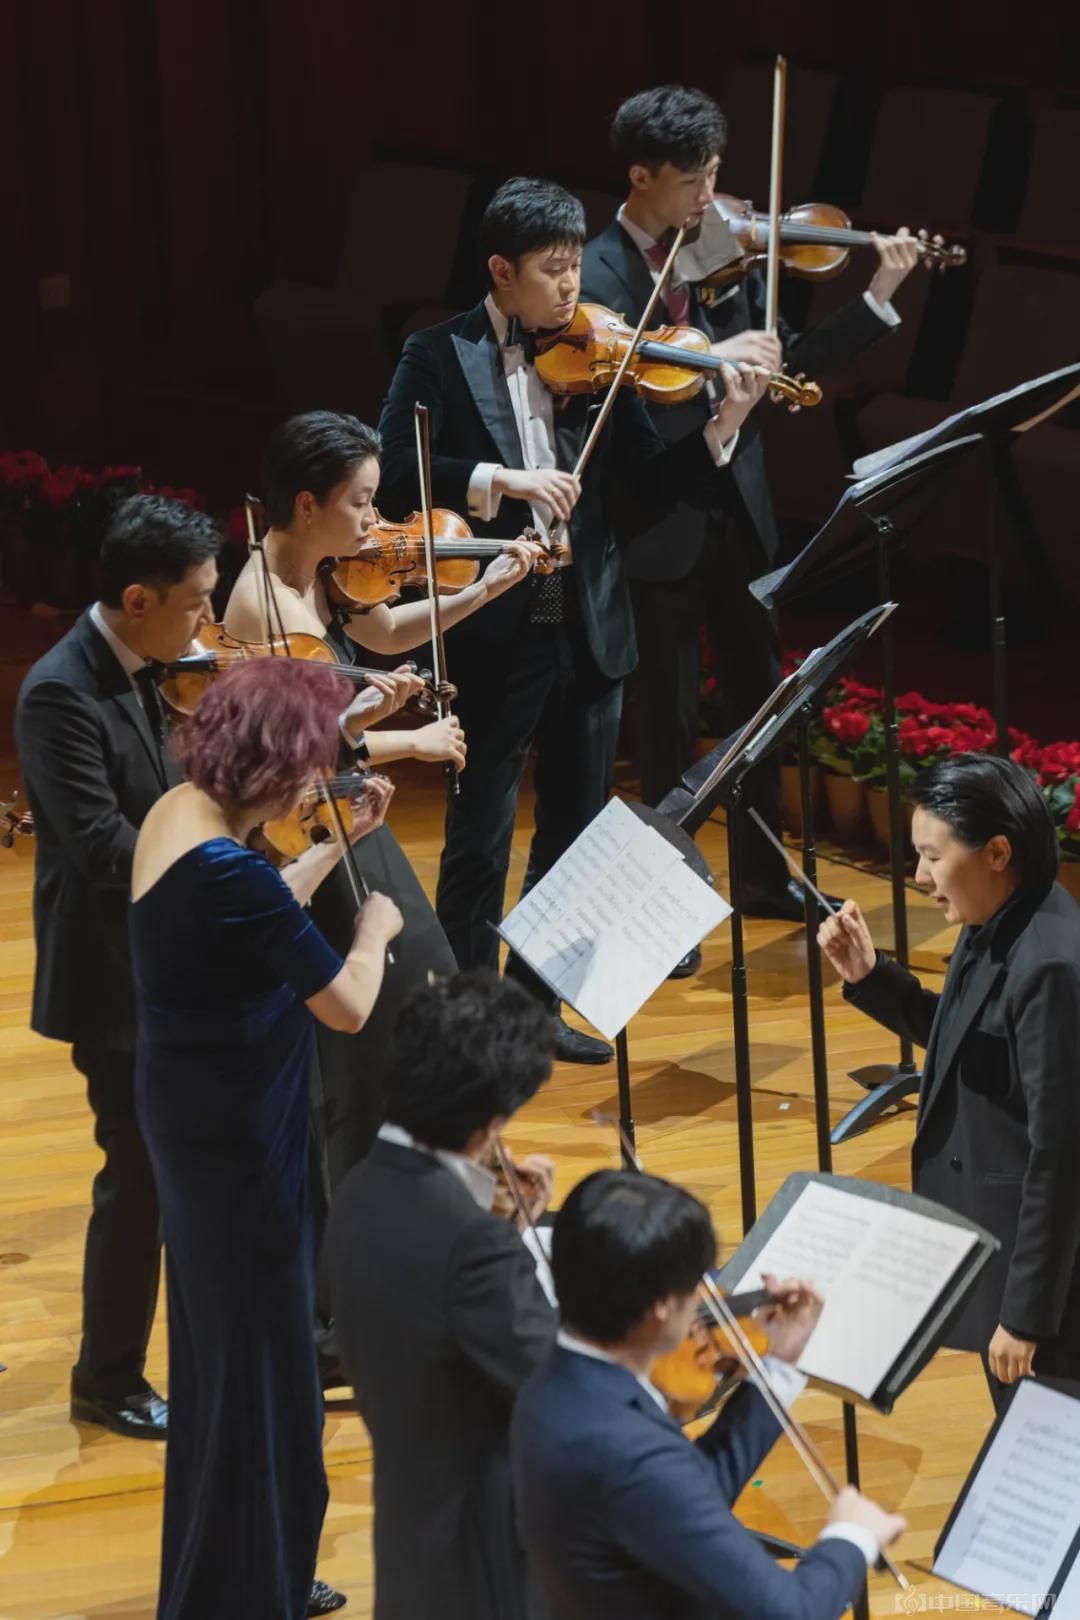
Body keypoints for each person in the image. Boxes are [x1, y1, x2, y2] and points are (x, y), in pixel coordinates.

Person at [377, 176, 769, 1061]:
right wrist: (500, 482)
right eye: (552, 272)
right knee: (480, 831)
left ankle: (539, 1010)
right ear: (499, 271)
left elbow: (647, 473)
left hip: (581, 605)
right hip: (495, 612)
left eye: (572, 269)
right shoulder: (435, 353)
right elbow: (396, 467)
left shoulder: (595, 352)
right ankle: (473, 1019)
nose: (571, 289)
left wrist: (725, 412)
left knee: (576, 823)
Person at [582, 85, 919, 947]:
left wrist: (878, 293)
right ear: (641, 175)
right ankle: (664, 912)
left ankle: (764, 880)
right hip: (657, 526)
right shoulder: (598, 279)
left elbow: (789, 361)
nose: (710, 199)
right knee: (662, 732)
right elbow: (631, 440)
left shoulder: (716, 252)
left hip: (739, 518)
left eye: (717, 176)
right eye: (692, 181)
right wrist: (714, 397)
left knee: (762, 710)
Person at [131, 656, 403, 1620]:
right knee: (266, 1379)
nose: (316, 784)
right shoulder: (231, 870)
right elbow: (349, 1005)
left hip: (194, 1113)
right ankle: (252, 1590)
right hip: (240, 1140)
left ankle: (234, 1577)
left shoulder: (180, 815)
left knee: (224, 1365)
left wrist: (332, 845)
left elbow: (245, 911)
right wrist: (373, 926)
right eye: (312, 767)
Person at [224, 410, 541, 1188]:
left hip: (347, 810)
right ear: (307, 506)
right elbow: (297, 754)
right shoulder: (265, 606)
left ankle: (412, 1178)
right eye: (362, 502)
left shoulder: (320, 574)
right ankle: (363, 1204)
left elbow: (391, 630)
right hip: (307, 830)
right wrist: (412, 743)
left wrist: (489, 589)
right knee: (378, 1017)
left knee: (418, 980)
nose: (377, 522)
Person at [15, 493, 221, 1440]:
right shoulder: (61, 690)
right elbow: (100, 843)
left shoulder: (152, 663)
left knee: (167, 1168)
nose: (205, 624)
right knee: (135, 1175)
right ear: (137, 599)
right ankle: (107, 1376)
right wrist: (224, 852)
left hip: (167, 959)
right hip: (111, 976)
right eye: (193, 603)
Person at [511, 1169, 905, 1619]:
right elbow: (792, 1612)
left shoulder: (552, 1382)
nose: (707, 1301)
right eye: (694, 1285)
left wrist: (779, 1362)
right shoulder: (629, 1450)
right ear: (661, 1306)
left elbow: (685, 1495)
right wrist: (850, 1538)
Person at [819, 753, 1080, 1410]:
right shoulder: (994, 914)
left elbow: (1062, 1156)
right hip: (994, 1245)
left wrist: (1026, 1316)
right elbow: (972, 1042)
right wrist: (871, 978)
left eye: (934, 857)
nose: (920, 877)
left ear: (997, 851)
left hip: (1048, 1289)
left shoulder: (1049, 966)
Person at [324, 970, 558, 1620]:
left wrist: (504, 1224)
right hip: (487, 1562)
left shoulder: (359, 1189)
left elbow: (437, 1324)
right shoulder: (471, 1248)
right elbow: (563, 1388)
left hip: (410, 1541)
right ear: (489, 1123)